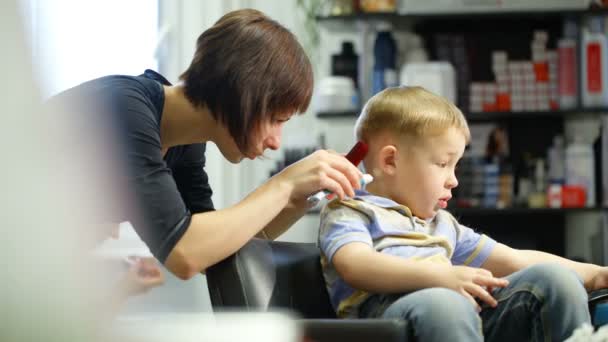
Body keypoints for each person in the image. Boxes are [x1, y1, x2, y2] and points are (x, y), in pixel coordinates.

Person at [49, 9, 363, 281]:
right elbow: (185, 253)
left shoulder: (185, 143)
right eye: (276, 119)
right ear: (241, 95)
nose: (274, 142)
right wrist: (282, 184)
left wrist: (296, 201)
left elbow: (212, 251)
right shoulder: (125, 109)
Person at [318, 86, 608, 341]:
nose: (453, 179)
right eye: (443, 163)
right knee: (446, 304)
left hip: (459, 316)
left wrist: (597, 274)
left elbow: (514, 259)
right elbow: (355, 265)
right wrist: (440, 276)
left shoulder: (442, 225)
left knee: (556, 281)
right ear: (391, 160)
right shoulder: (350, 210)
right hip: (388, 320)